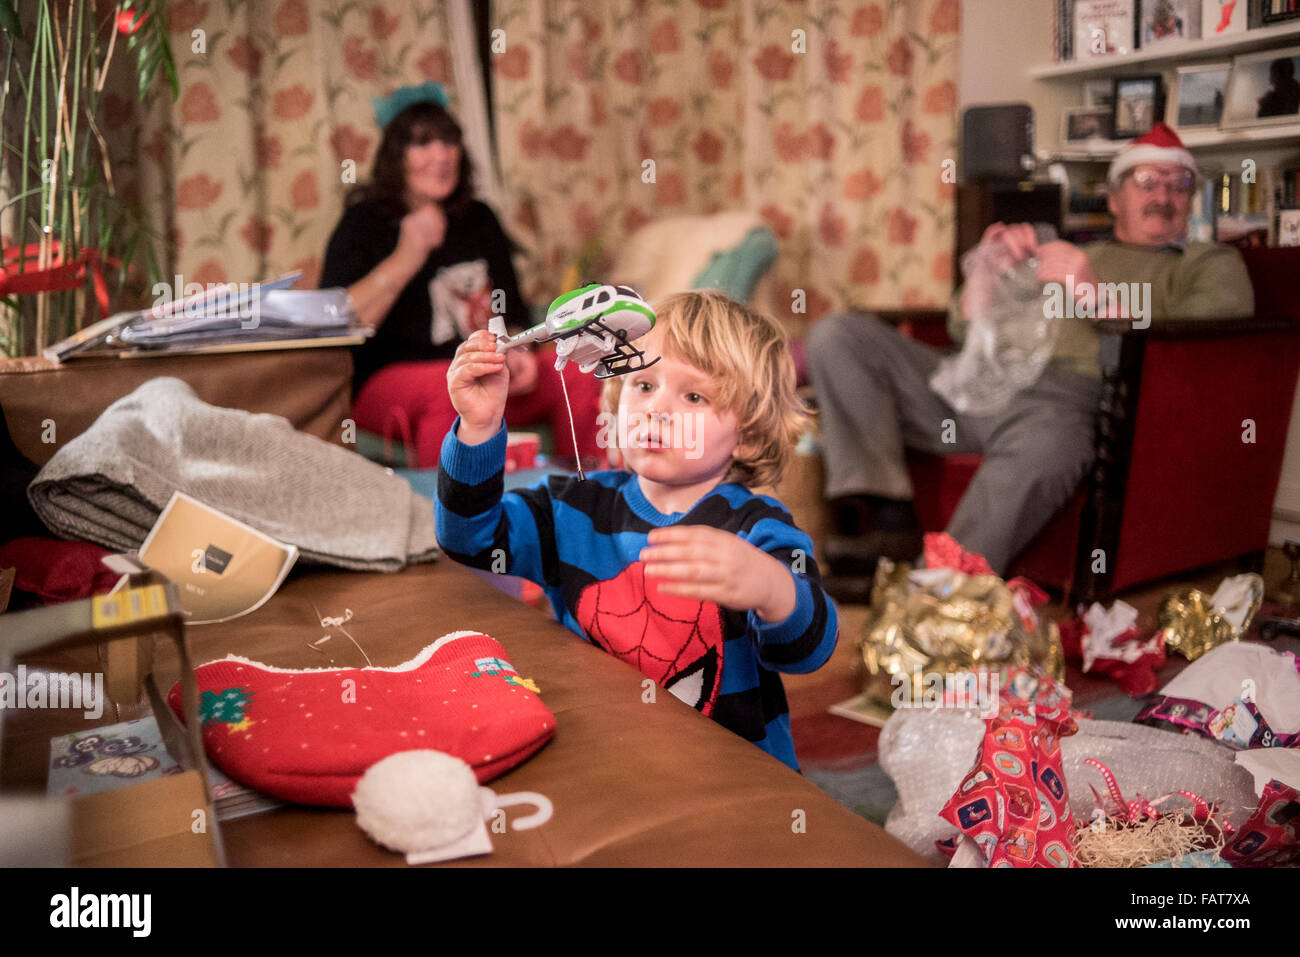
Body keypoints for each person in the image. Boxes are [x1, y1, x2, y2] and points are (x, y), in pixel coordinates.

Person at [808, 123, 1254, 595]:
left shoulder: (1205, 263)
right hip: (980, 382)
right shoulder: (1067, 251)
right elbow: (965, 332)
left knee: (1048, 443)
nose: (1164, 195)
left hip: (1066, 400)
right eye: (1147, 182)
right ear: (1114, 197)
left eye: (1178, 184)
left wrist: (1095, 294)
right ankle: (889, 522)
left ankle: (931, 591)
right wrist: (987, 276)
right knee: (840, 336)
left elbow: (1212, 335)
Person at [435, 290, 838, 771]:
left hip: (733, 780)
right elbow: (470, 539)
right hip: (603, 760)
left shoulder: (758, 529)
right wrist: (477, 428)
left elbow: (809, 651)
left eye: (693, 396)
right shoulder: (572, 506)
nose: (656, 410)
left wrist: (774, 590)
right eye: (643, 385)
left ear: (748, 436)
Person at [319, 85, 602, 468]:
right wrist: (407, 255)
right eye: (422, 142)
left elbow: (511, 308)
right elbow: (336, 325)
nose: (441, 155)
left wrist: (519, 348)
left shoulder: (479, 218)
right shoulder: (363, 223)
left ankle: (591, 501)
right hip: (384, 384)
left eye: (449, 141)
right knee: (450, 384)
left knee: (575, 367)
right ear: (395, 155)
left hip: (487, 371)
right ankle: (452, 519)